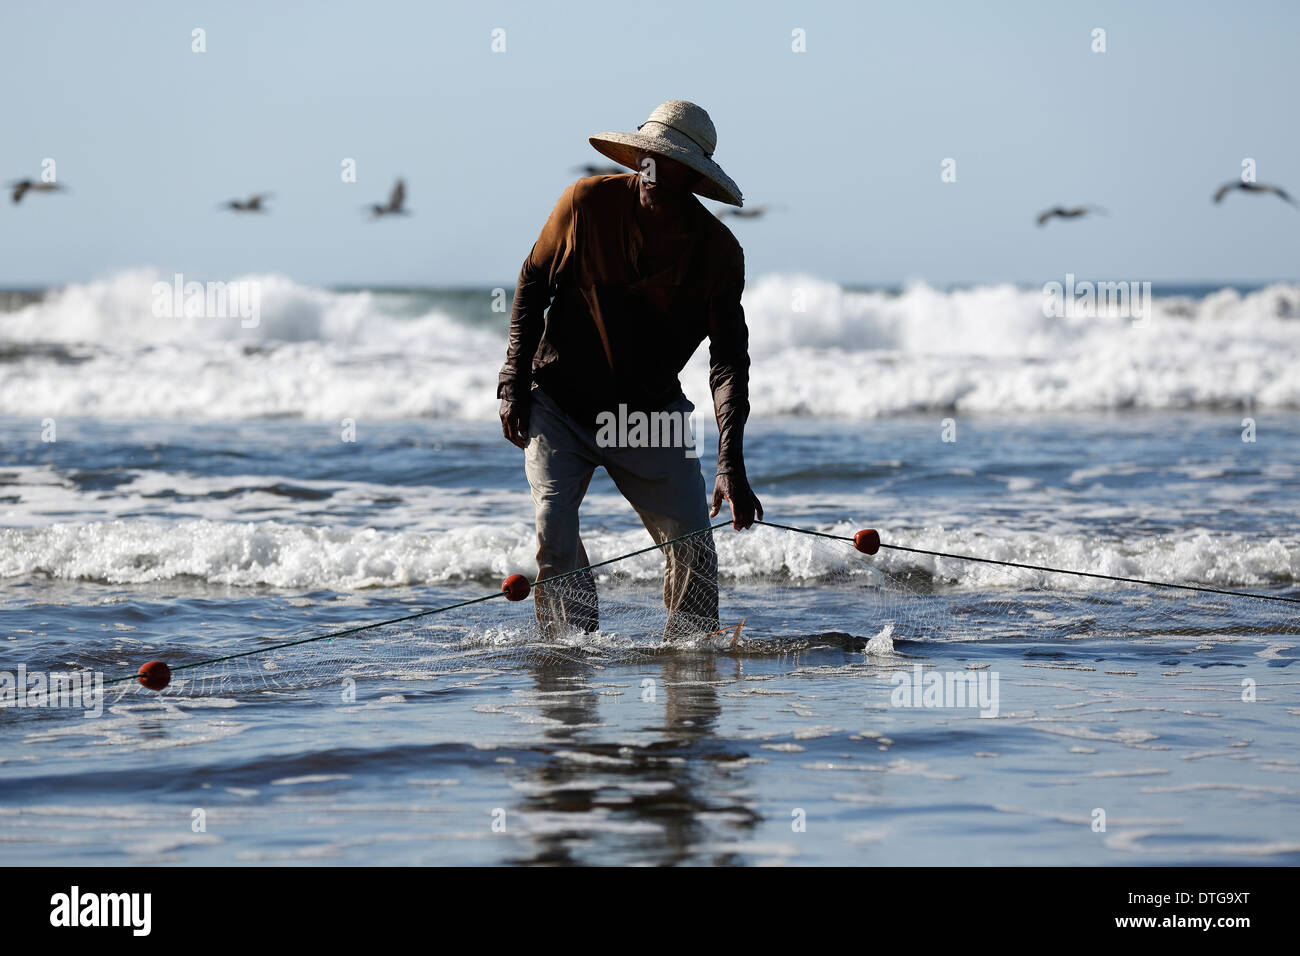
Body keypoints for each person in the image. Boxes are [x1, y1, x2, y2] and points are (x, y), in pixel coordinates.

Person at [498, 100, 763, 638]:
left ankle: (692, 668)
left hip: (646, 414)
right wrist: (512, 383)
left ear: (692, 181)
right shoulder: (583, 204)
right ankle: (571, 657)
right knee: (554, 530)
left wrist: (729, 463)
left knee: (691, 544)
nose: (650, 176)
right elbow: (531, 284)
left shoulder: (718, 254)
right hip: (558, 402)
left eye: (667, 169)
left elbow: (728, 363)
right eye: (646, 161)